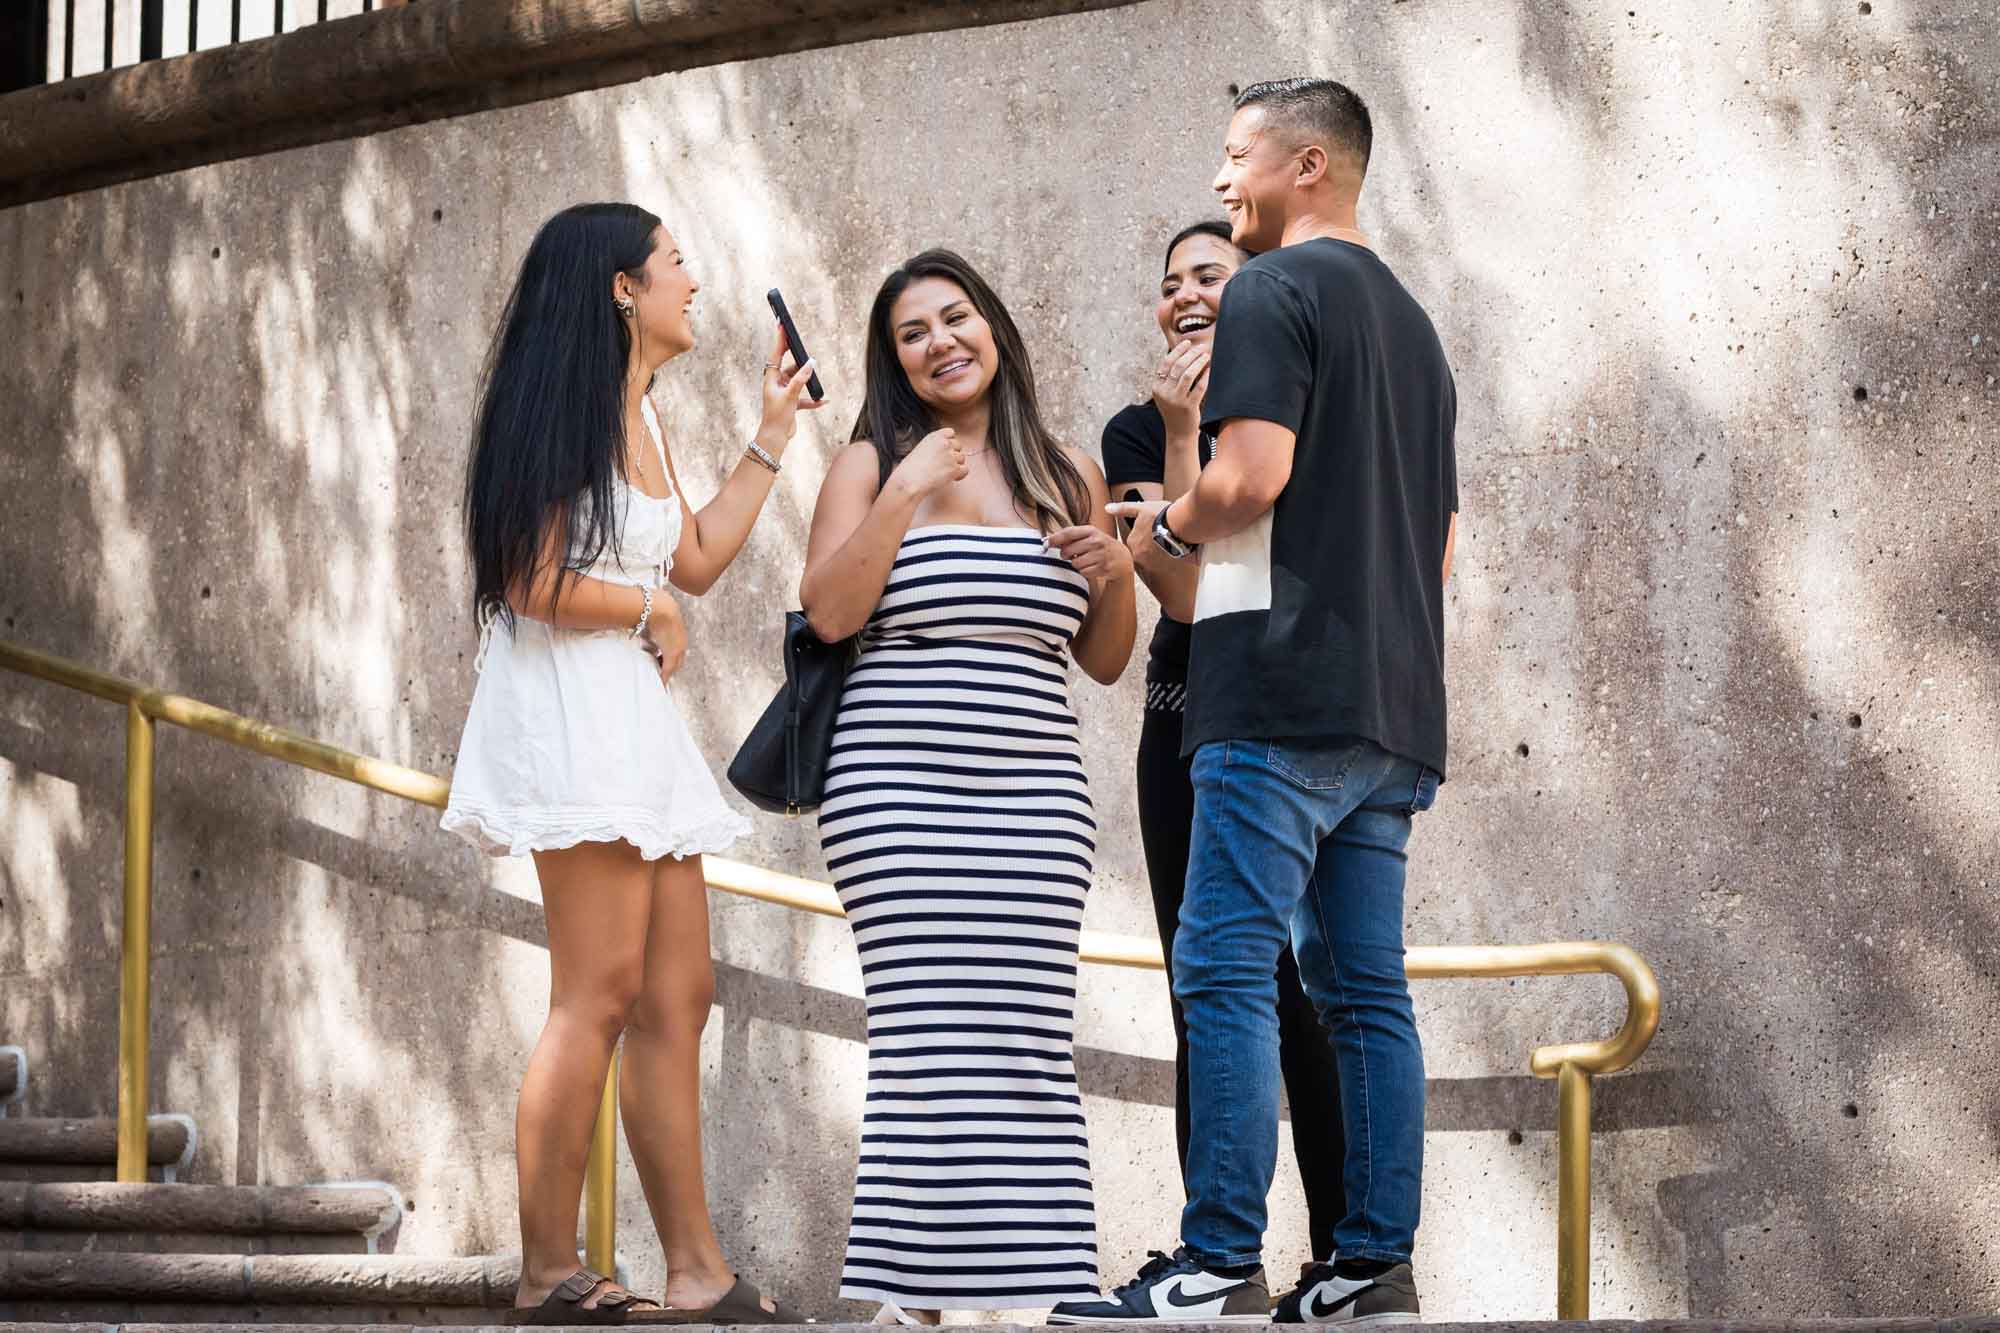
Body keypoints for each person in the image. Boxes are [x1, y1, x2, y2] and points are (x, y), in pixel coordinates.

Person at [1053, 78, 1459, 1327]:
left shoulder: (1274, 290)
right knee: (1362, 991)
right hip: (1391, 711)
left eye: (1238, 157)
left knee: (1222, 968)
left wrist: (1166, 524)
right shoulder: (1415, 329)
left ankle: (1215, 1262)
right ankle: (1366, 1269)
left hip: (1273, 697)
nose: (1222, 180)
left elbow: (1250, 474)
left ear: (1307, 165)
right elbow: (1440, 545)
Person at [441, 202, 819, 1325]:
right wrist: (644, 606)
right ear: (621, 288)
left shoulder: (641, 410)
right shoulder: (554, 403)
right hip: (568, 709)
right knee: (597, 990)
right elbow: (526, 579)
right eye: (674, 263)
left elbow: (691, 559)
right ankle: (546, 1270)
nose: (691, 282)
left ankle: (696, 1270)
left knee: (676, 993)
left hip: (626, 715)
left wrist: (770, 434)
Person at [799, 249, 1136, 1324]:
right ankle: (910, 1296)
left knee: (1028, 1034)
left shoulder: (1064, 470)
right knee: (925, 1038)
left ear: (993, 327)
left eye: (955, 318)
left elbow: (1103, 660)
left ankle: (1047, 1283)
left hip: (1036, 797)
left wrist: (1117, 576)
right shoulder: (868, 462)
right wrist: (904, 490)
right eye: (913, 332)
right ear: (892, 358)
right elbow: (829, 613)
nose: (939, 342)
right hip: (896, 794)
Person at [1100, 217, 1348, 1276]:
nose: (1185, 296)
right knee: (1200, 990)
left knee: (1315, 991)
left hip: (1293, 726)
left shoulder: (1303, 414)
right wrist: (1178, 432)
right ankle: (1215, 1259)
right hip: (1182, 725)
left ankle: (1347, 1255)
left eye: (1209, 274)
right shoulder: (1130, 432)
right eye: (1171, 283)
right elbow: (1186, 597)